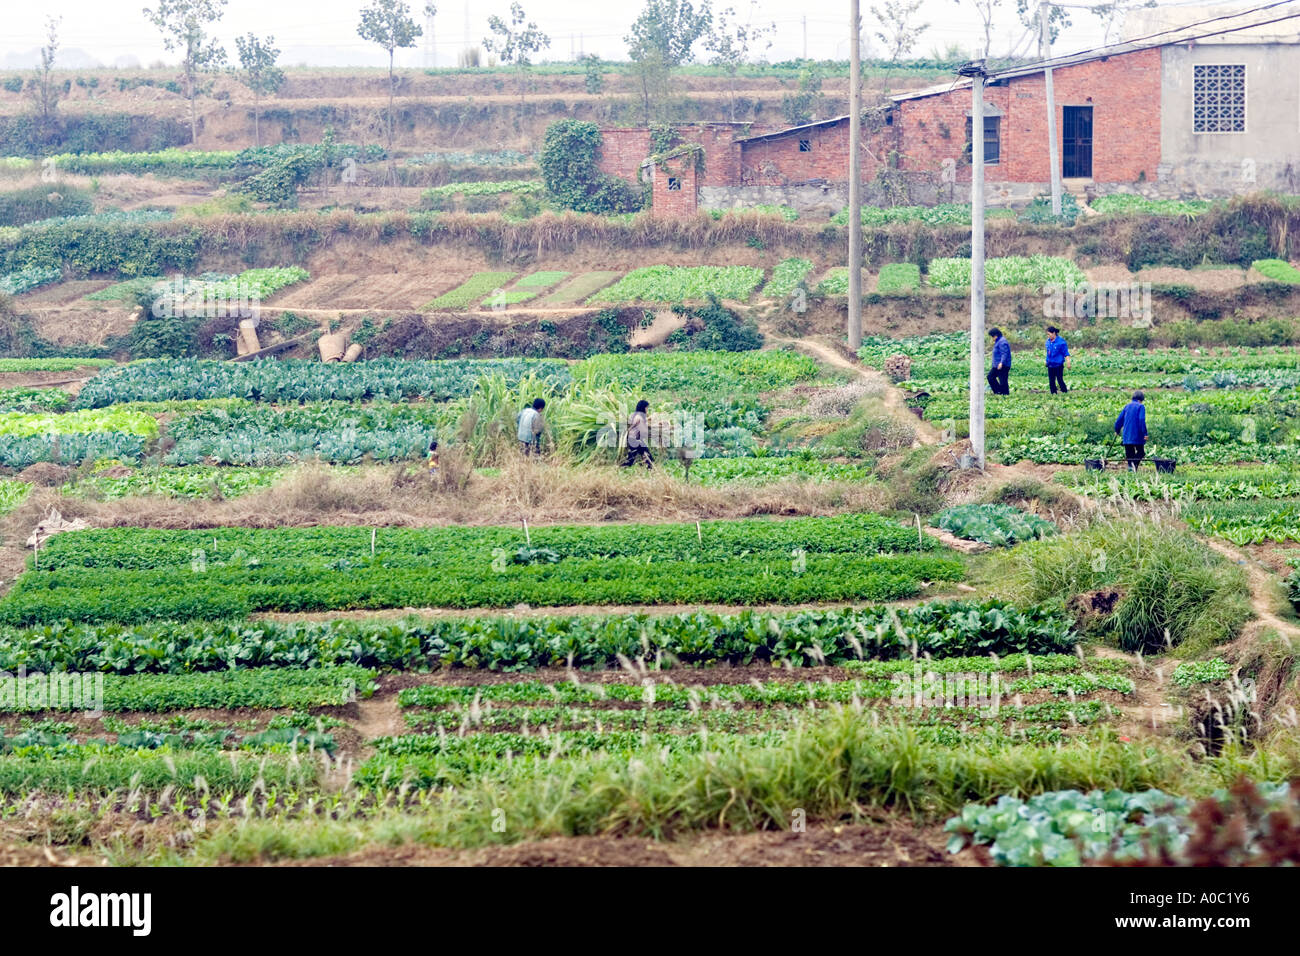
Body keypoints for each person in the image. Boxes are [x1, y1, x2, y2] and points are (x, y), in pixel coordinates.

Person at [1114, 390, 1148, 471]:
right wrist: (1145, 433)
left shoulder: (1127, 406)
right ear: (1141, 399)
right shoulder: (1140, 406)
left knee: (1130, 454)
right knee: (1141, 452)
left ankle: (1131, 469)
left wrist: (1117, 430)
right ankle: (1133, 467)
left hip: (1126, 435)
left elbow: (1119, 420)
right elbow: (1141, 420)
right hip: (1137, 434)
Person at [621, 399, 654, 470]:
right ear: (643, 408)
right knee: (632, 460)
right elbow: (643, 431)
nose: (647, 409)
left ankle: (649, 469)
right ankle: (620, 468)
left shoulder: (635, 415)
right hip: (636, 440)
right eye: (646, 407)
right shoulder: (639, 417)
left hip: (633, 439)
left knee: (644, 457)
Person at [1045, 326, 1071, 394]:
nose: (1048, 336)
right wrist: (1046, 361)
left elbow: (1066, 353)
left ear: (1053, 333)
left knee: (1060, 380)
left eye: (1049, 334)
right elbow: (1048, 353)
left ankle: (1065, 392)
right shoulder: (1048, 342)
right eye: (1047, 334)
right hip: (1050, 364)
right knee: (1051, 381)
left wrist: (1068, 362)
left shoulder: (1061, 342)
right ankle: (1053, 394)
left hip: (1058, 365)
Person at [987, 327, 1011, 395]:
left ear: (996, 335)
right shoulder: (998, 341)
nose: (992, 338)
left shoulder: (1002, 342)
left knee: (1003, 380)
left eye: (992, 336)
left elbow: (1005, 353)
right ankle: (999, 391)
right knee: (990, 377)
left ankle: (1004, 394)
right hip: (997, 365)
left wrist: (1002, 363)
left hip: (1003, 365)